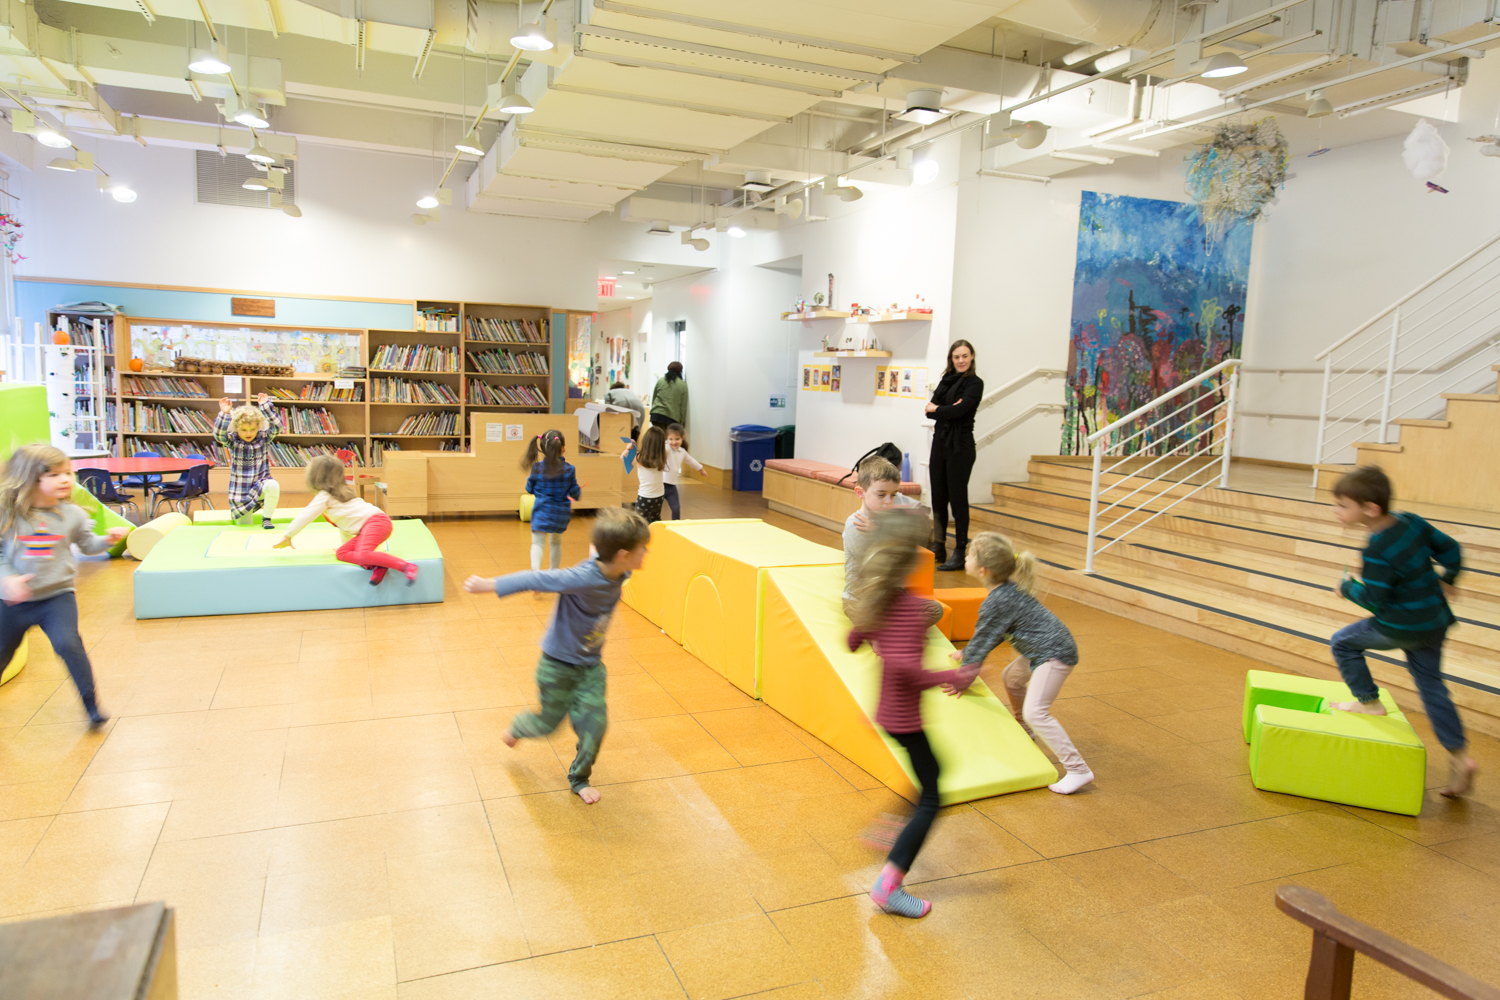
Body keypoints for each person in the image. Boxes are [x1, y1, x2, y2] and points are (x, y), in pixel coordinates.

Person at [462, 508, 651, 804]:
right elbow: (536, 579)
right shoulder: (581, 578)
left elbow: (599, 553)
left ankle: (579, 778)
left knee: (595, 724)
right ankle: (520, 727)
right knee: (549, 724)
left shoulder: (619, 568)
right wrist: (488, 585)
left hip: (590, 666)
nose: (647, 553)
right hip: (557, 665)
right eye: (644, 549)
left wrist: (599, 546)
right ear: (624, 554)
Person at [847, 510, 979, 918]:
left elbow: (854, 639)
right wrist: (951, 676)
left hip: (888, 712)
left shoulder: (879, 600)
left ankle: (890, 828)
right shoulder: (905, 607)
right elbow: (905, 667)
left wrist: (869, 633)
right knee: (934, 796)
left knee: (930, 777)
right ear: (914, 559)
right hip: (903, 716)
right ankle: (889, 886)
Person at [1326, 466, 1476, 797]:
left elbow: (1376, 601)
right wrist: (1448, 579)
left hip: (1400, 626)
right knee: (1433, 689)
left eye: (1342, 505)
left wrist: (1347, 587)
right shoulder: (1412, 521)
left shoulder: (1376, 549)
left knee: (1343, 644)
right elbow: (1453, 551)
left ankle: (1368, 702)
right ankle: (1460, 758)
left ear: (1370, 509)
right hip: (1434, 622)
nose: (1336, 512)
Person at [0, 445, 130, 728]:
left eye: (68, 473)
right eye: (55, 474)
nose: (65, 479)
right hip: (12, 603)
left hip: (56, 597)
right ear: (30, 479)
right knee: (2, 653)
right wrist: (7, 578)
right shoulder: (9, 513)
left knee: (68, 644)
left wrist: (107, 541)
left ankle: (91, 705)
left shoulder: (72, 514)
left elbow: (87, 545)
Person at [959, 531, 1093, 795]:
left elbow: (983, 641)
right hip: (1043, 647)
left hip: (1053, 654)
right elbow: (992, 633)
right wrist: (967, 652)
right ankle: (1024, 727)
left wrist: (962, 679)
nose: (965, 557)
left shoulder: (998, 599)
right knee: (1012, 678)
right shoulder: (1003, 592)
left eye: (968, 555)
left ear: (983, 570)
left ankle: (1078, 769)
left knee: (1037, 711)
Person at [271, 456, 418, 586]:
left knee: (363, 553)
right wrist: (346, 544)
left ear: (315, 477)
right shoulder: (341, 491)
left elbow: (306, 515)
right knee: (342, 552)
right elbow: (344, 525)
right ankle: (377, 565)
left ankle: (406, 566)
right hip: (370, 525)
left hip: (376, 522)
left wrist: (288, 535)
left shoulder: (325, 496)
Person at [842, 455, 924, 620]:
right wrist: (881, 533)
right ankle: (880, 631)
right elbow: (876, 565)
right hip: (861, 599)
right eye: (881, 495)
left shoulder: (888, 518)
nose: (888, 501)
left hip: (890, 596)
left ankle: (891, 625)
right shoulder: (855, 524)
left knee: (934, 610)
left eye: (893, 495)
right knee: (877, 618)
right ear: (860, 492)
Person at [925, 340, 983, 571]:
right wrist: (944, 410)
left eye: (964, 356)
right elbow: (929, 411)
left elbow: (958, 410)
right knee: (938, 497)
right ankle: (938, 546)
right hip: (940, 443)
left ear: (971, 357)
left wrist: (940, 409)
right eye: (956, 357)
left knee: (957, 500)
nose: (960, 360)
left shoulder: (975, 383)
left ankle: (960, 551)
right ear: (951, 359)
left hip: (961, 446)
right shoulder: (945, 380)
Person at [215, 393, 282, 529]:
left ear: (258, 426)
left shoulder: (263, 438)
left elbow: (277, 427)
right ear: (236, 428)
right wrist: (224, 414)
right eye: (244, 430)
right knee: (244, 528)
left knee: (273, 485)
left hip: (260, 485)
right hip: (240, 492)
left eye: (252, 429)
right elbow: (219, 435)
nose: (248, 434)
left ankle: (266, 519)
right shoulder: (233, 440)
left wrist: (265, 406)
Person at [520, 429, 581, 570]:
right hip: (560, 514)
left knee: (537, 544)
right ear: (563, 448)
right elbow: (575, 492)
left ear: (543, 449)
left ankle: (536, 575)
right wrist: (577, 492)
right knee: (556, 543)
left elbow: (529, 489)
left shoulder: (537, 468)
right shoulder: (569, 469)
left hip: (541, 512)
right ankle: (554, 573)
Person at [663, 423, 707, 520]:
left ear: (683, 438)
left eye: (677, 439)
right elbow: (660, 450)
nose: (674, 442)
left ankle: (676, 525)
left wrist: (700, 469)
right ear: (667, 439)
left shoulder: (682, 451)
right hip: (660, 484)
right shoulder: (666, 448)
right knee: (655, 508)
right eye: (671, 439)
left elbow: (690, 460)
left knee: (676, 508)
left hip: (671, 486)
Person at [628, 425, 668, 524]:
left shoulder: (638, 458)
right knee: (655, 519)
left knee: (639, 522)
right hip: (659, 496)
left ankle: (643, 538)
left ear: (645, 441)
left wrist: (629, 447)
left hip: (645, 496)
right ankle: (657, 536)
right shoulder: (662, 457)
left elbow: (624, 458)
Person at [649, 361, 689, 430]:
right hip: (671, 418)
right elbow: (683, 407)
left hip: (656, 415)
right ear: (680, 372)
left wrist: (653, 411)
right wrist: (682, 423)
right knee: (668, 439)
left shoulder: (660, 381)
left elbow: (654, 398)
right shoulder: (683, 385)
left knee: (657, 438)